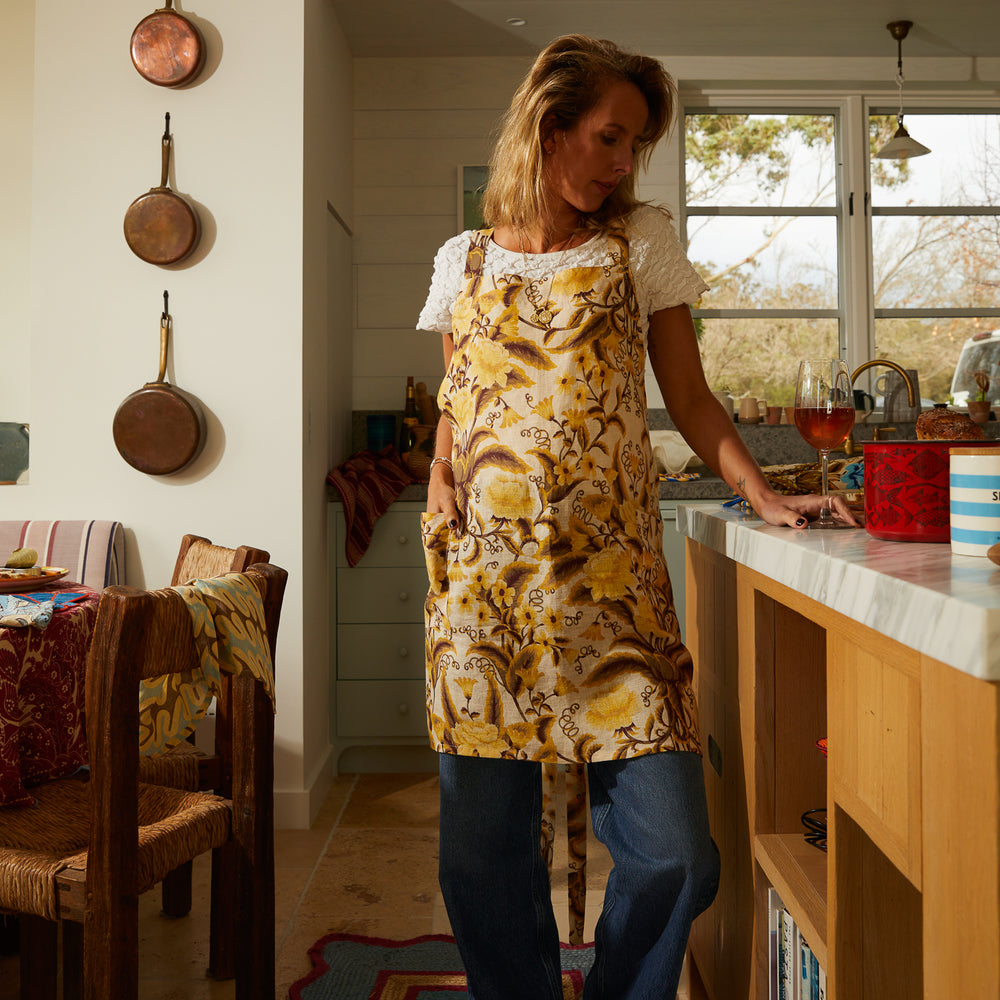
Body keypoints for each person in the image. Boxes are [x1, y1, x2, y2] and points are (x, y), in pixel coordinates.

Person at [416, 34, 854, 1000]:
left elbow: (691, 398)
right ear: (549, 126)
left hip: (613, 596)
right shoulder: (466, 259)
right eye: (610, 139)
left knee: (678, 855)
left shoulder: (639, 241)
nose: (622, 164)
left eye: (634, 146)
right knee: (482, 865)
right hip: (484, 597)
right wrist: (440, 471)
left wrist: (765, 492)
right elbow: (457, 393)